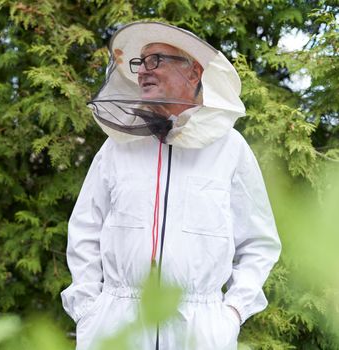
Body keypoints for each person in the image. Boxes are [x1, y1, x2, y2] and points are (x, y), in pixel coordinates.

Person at [61, 22, 281, 350]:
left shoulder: (230, 148)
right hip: (117, 325)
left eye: (156, 60)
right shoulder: (117, 147)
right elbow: (84, 231)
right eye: (139, 63)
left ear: (193, 73)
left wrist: (232, 312)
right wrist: (89, 310)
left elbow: (259, 243)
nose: (142, 72)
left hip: (200, 329)